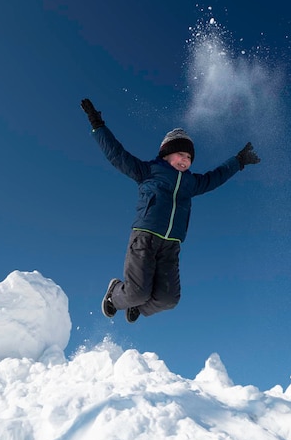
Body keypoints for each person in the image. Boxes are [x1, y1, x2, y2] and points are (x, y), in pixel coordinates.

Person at [80, 98, 260, 323]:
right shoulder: (148, 171)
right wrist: (98, 125)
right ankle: (115, 295)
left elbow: (216, 177)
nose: (185, 160)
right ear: (166, 154)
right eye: (181, 155)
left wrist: (238, 161)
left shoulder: (192, 183)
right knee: (137, 292)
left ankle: (137, 305)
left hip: (171, 246)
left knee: (169, 299)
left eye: (189, 157)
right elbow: (117, 155)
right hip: (145, 238)